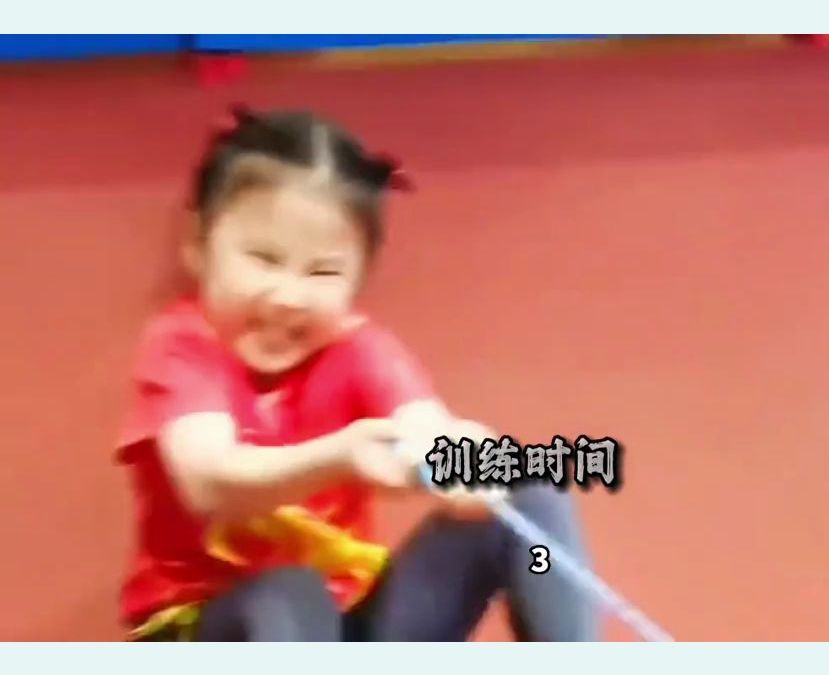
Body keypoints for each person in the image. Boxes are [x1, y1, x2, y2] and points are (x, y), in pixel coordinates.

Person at [114, 105, 599, 642]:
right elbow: (209, 482)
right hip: (208, 628)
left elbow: (425, 426)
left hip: (346, 627)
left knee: (528, 491)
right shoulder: (181, 346)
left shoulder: (363, 350)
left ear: (359, 279)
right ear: (198, 245)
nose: (289, 296)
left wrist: (465, 461)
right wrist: (342, 456)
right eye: (264, 259)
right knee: (292, 590)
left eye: (323, 271)